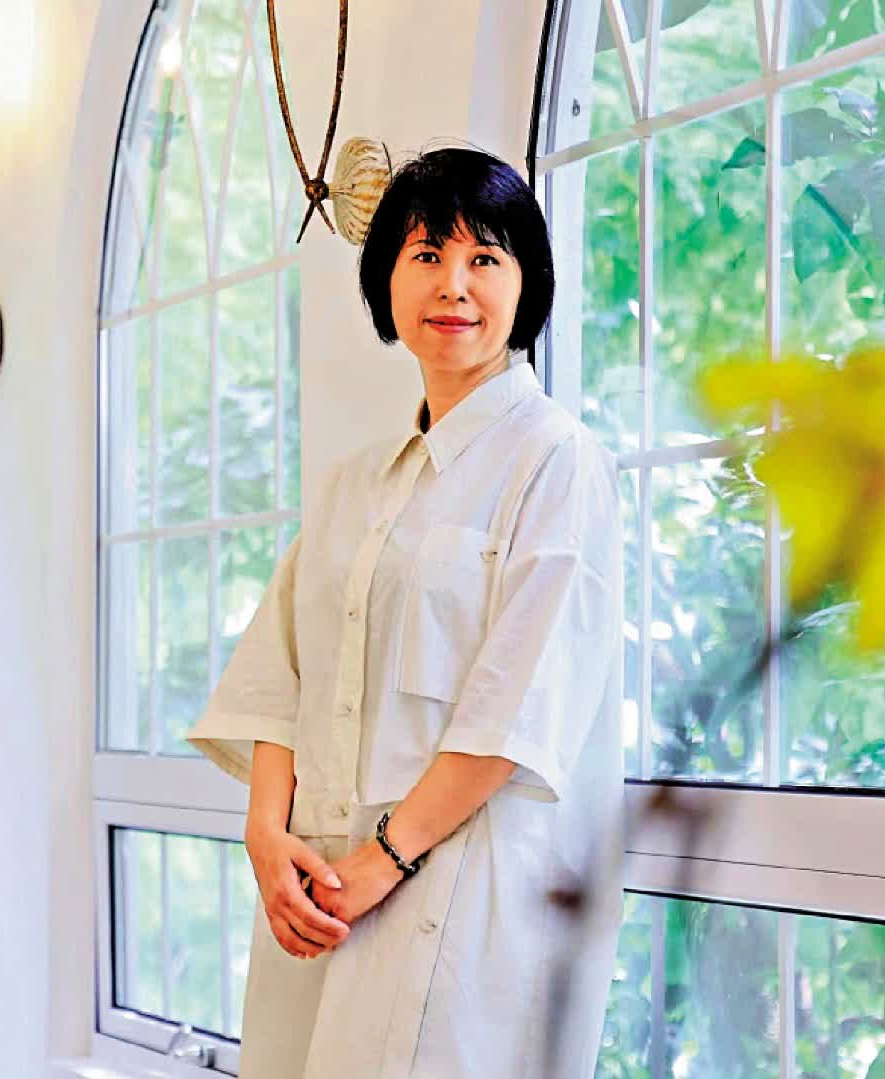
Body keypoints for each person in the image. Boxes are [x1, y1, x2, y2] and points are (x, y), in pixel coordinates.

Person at [186, 146, 626, 1077]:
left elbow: (515, 711)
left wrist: (381, 862)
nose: (452, 285)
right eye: (426, 255)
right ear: (387, 278)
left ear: (527, 285)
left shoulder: (557, 461)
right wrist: (268, 837)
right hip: (316, 891)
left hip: (453, 893)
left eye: (484, 258)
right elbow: (278, 677)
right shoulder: (355, 482)